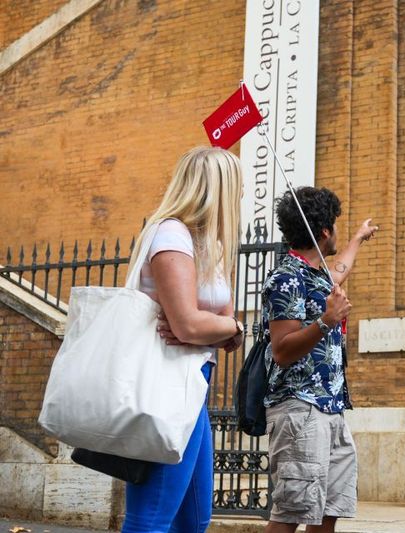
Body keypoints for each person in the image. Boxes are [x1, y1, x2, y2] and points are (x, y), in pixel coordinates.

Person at [122, 146, 246, 533]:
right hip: (165, 386)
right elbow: (191, 326)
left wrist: (229, 328)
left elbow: (225, 326)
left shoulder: (212, 247)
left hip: (195, 385)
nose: (242, 194)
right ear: (218, 188)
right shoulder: (171, 235)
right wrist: (220, 327)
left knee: (193, 520)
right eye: (238, 186)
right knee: (150, 519)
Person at [262, 187, 377, 533]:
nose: (339, 232)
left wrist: (358, 238)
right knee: (291, 513)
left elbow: (339, 270)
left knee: (329, 511)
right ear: (325, 231)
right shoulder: (286, 278)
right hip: (300, 409)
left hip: (331, 407)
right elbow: (282, 350)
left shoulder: (317, 275)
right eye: (337, 226)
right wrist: (327, 320)